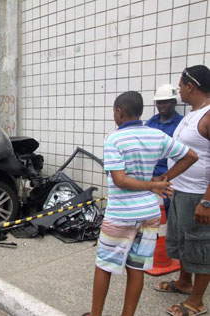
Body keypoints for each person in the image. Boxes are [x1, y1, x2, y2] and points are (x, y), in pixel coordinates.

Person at [83, 91, 198, 316]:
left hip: (121, 214)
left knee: (104, 265)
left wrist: (154, 185)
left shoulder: (114, 139)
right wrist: (162, 180)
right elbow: (191, 156)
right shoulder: (156, 135)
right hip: (149, 213)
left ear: (119, 111)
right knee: (136, 268)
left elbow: (120, 179)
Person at [154, 65, 210, 316]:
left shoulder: (208, 115)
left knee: (200, 245)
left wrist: (207, 202)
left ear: (191, 86)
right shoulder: (192, 112)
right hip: (180, 190)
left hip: (199, 194)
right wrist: (164, 179)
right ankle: (184, 282)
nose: (178, 91)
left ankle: (196, 301)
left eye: (180, 86)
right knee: (183, 242)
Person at [145, 84, 184, 215]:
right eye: (158, 102)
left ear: (174, 102)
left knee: (165, 214)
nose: (161, 105)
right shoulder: (151, 122)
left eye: (165, 102)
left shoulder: (181, 123)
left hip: (170, 177)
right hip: (151, 176)